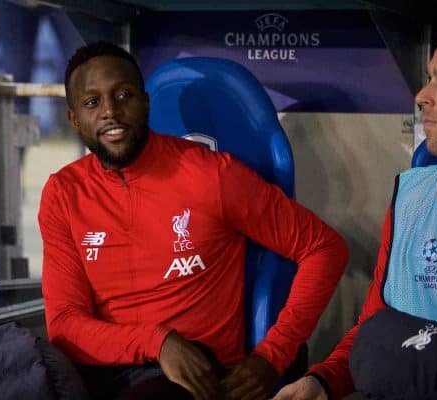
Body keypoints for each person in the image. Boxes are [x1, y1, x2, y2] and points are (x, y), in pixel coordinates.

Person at [38, 41, 348, 400]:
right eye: (92, 102)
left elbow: (324, 248)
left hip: (194, 377)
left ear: (146, 103)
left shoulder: (210, 175)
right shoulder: (63, 193)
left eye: (124, 95)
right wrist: (158, 342)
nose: (110, 111)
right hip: (102, 371)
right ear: (75, 119)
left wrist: (272, 356)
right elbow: (64, 325)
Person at [273, 42, 437, 400]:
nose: (422, 95)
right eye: (428, 78)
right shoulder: (411, 196)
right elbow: (374, 327)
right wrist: (323, 381)